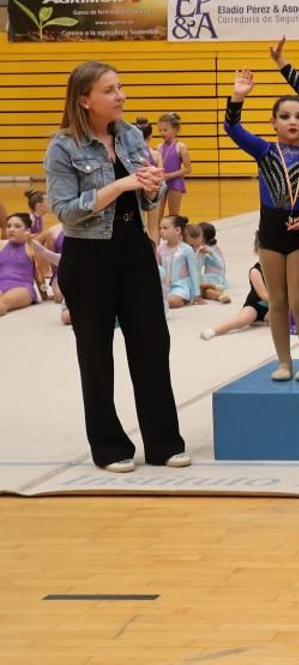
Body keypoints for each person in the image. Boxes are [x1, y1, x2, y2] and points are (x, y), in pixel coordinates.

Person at [43, 60, 187, 472]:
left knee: (152, 346)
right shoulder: (62, 147)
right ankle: (109, 446)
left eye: (119, 87)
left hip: (134, 249)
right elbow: (65, 212)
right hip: (88, 256)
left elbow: (146, 199)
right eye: (109, 90)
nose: (120, 96)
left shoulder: (129, 135)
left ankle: (163, 443)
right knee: (96, 354)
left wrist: (152, 186)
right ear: (84, 100)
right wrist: (121, 184)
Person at [224, 66, 299, 381]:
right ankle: (284, 362)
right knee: (277, 302)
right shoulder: (264, 151)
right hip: (269, 234)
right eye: (285, 116)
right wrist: (238, 97)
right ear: (273, 122)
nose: (292, 121)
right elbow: (232, 128)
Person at [0, 213, 56, 315]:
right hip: (1, 284)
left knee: (3, 302)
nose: (11, 229)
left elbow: (39, 275)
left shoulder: (32, 247)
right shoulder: (1, 244)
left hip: (22, 288)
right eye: (8, 226)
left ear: (27, 230)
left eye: (17, 226)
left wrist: (44, 296)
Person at [147, 112, 190, 243]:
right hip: (161, 183)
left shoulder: (181, 147)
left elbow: (188, 168)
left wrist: (170, 175)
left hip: (175, 183)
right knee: (157, 217)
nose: (162, 133)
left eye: (165, 130)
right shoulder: (158, 147)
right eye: (160, 130)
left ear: (175, 129)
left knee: (173, 216)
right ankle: (157, 244)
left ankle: (177, 243)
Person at [156, 214, 200, 309]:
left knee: (173, 301)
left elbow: (193, 272)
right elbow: (157, 270)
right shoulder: (159, 249)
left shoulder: (186, 249)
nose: (161, 231)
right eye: (160, 228)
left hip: (181, 286)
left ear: (177, 230)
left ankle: (181, 299)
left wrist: (197, 293)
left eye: (165, 228)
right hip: (165, 286)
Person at [197, 221, 230, 304]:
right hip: (221, 278)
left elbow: (197, 267)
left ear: (202, 238)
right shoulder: (214, 247)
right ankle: (219, 292)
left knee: (201, 289)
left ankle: (216, 290)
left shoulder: (204, 249)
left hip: (212, 278)